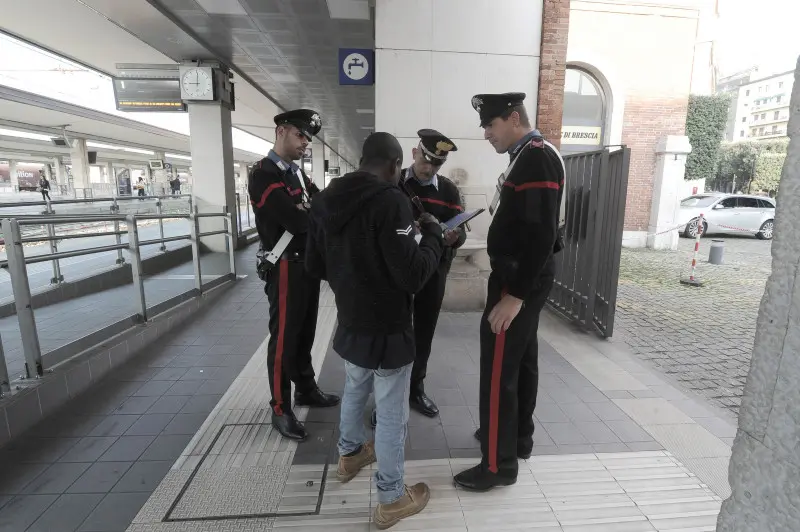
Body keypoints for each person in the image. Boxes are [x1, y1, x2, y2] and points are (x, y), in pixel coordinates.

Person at [305, 132, 443, 529]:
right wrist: (432, 237)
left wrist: (352, 274)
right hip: (387, 328)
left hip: (350, 321)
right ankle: (392, 497)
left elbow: (314, 267)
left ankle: (348, 457)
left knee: (355, 388)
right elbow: (413, 274)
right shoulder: (391, 201)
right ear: (394, 165)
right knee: (391, 413)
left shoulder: (326, 198)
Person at [453, 93, 564, 492]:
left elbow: (541, 232)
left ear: (513, 118)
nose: (486, 134)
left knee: (499, 367)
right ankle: (518, 439)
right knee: (522, 359)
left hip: (519, 280)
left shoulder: (535, 156)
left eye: (490, 125)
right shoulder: (529, 154)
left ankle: (498, 466)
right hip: (522, 276)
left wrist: (514, 295)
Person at [248, 109, 340, 442]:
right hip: (285, 264)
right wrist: (307, 211)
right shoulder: (263, 173)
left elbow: (321, 206)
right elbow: (296, 220)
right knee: (284, 338)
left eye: (308, 138)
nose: (305, 143)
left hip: (307, 263)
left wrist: (309, 209)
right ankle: (279, 408)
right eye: (301, 135)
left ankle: (305, 388)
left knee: (305, 332)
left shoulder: (297, 175)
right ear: (282, 131)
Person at [368, 129, 465, 426]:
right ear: (414, 153)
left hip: (432, 272)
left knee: (424, 332)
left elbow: (460, 232)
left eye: (437, 164)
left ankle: (415, 389)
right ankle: (384, 398)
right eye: (427, 160)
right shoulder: (393, 182)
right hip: (396, 274)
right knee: (392, 334)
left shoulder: (448, 190)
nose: (430, 168)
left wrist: (452, 238)